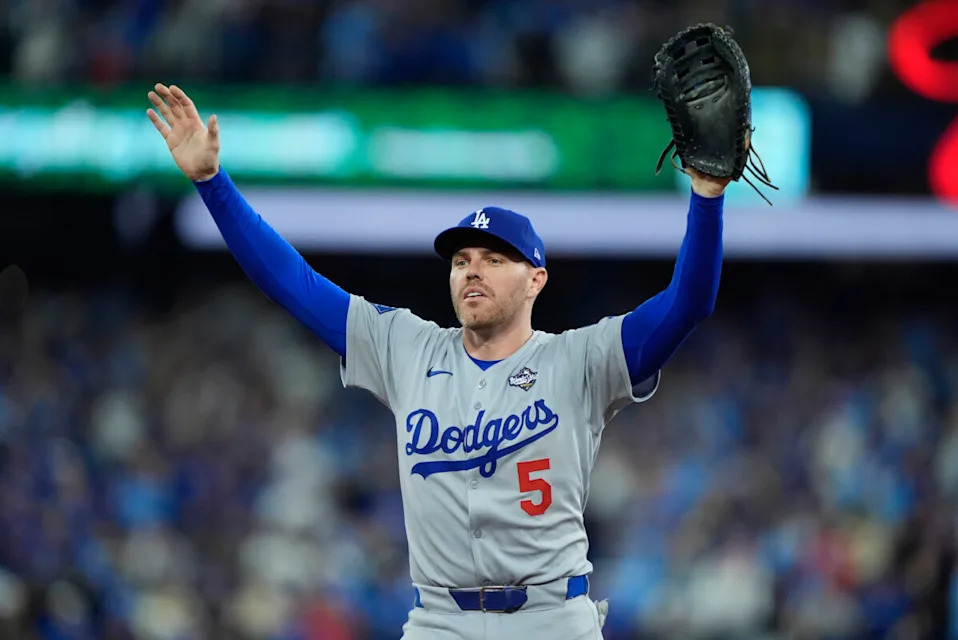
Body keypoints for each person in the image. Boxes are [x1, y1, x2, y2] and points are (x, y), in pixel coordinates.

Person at [146, 82, 728, 640]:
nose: (472, 269)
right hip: (438, 619)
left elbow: (689, 303)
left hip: (551, 618)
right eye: (461, 260)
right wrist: (211, 182)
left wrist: (706, 199)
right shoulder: (405, 346)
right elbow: (291, 282)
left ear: (536, 280)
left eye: (495, 258)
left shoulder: (582, 358)